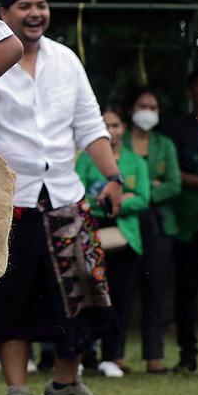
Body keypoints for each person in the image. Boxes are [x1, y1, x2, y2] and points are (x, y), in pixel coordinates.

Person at [0, 0, 122, 395]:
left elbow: (90, 125)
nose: (35, 14)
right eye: (25, 6)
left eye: (41, 6)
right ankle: (18, 391)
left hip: (66, 196)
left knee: (83, 292)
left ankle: (66, 385)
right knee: (12, 298)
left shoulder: (66, 60)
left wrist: (113, 177)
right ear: (3, 14)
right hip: (9, 201)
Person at [76, 104, 149, 377]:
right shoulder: (86, 159)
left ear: (124, 128)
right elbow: (78, 193)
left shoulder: (136, 162)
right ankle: (83, 356)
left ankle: (111, 357)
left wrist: (117, 202)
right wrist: (113, 199)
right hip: (91, 235)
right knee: (87, 298)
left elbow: (143, 198)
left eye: (115, 125)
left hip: (126, 238)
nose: (110, 130)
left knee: (120, 298)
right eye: (105, 125)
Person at [122, 86, 180, 374]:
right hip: (127, 223)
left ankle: (154, 357)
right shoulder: (119, 143)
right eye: (142, 106)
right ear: (131, 110)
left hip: (159, 223)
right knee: (123, 290)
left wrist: (142, 193)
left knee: (155, 291)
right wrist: (149, 187)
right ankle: (114, 357)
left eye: (153, 107)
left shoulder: (164, 144)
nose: (148, 112)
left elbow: (174, 184)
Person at [166, 64, 198, 374]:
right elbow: (168, 172)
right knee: (186, 290)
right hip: (185, 223)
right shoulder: (176, 129)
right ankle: (188, 356)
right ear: (190, 92)